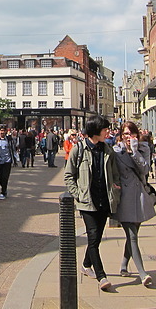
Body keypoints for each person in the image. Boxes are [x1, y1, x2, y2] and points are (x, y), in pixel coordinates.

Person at [63, 115, 120, 291]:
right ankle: (102, 276)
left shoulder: (108, 150)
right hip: (87, 202)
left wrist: (115, 189)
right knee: (93, 236)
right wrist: (78, 194)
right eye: (105, 130)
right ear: (95, 131)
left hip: (104, 201)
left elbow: (115, 173)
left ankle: (86, 265)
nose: (108, 132)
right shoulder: (78, 150)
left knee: (96, 238)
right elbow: (68, 176)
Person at [113, 122, 155, 286]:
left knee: (133, 234)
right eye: (125, 134)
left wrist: (135, 152)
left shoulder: (144, 149)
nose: (128, 137)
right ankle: (143, 273)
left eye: (131, 134)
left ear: (137, 135)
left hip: (140, 196)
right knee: (132, 236)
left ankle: (124, 265)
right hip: (125, 197)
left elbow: (145, 170)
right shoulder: (117, 151)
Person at [0, 126, 16, 199]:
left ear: (6, 131)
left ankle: (3, 192)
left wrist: (15, 159)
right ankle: (4, 187)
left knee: (5, 177)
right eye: (1, 131)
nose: (2, 132)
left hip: (7, 161)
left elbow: (13, 149)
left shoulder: (9, 140)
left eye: (3, 131)